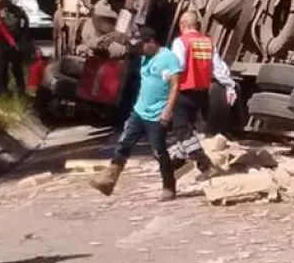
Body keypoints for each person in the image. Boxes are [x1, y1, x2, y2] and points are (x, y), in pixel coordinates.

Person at [89, 28, 181, 201]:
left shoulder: (168, 58)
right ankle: (110, 179)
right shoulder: (145, 56)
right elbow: (128, 50)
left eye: (143, 45)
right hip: (139, 111)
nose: (141, 49)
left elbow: (176, 85)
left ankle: (169, 186)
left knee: (158, 151)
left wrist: (168, 110)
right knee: (124, 143)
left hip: (157, 114)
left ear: (153, 42)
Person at [169, 11, 237, 180]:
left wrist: (164, 79)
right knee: (189, 132)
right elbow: (218, 68)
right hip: (201, 93)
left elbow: (178, 66)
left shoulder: (180, 42)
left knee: (182, 131)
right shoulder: (208, 42)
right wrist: (230, 86)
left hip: (183, 92)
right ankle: (173, 166)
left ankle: (204, 165)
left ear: (183, 25)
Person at [0, 0, 30, 94]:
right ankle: (4, 88)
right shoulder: (1, 12)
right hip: (5, 42)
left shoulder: (19, 12)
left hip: (16, 42)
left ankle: (21, 88)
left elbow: (24, 26)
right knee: (3, 67)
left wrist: (21, 41)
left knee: (16, 67)